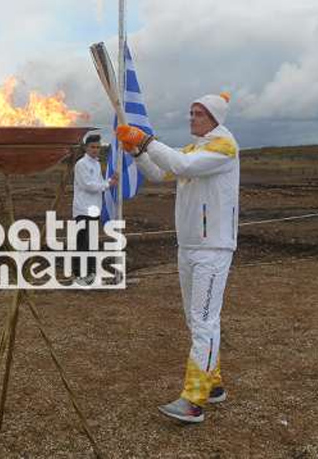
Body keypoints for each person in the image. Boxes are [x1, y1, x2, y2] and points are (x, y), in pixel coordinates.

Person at [116, 92, 239, 423]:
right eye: (191, 112)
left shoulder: (223, 147)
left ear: (215, 118)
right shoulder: (195, 149)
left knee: (203, 321)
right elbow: (161, 173)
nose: (192, 118)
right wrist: (137, 152)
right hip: (188, 246)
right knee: (195, 320)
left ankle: (194, 400)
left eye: (199, 113)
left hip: (213, 247)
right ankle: (213, 385)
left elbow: (180, 165)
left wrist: (146, 140)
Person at [71, 134, 118, 285]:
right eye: (92, 147)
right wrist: (108, 184)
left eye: (98, 147)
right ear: (86, 148)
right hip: (82, 210)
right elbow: (88, 185)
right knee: (82, 243)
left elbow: (98, 184)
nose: (95, 150)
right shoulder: (81, 164)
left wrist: (109, 182)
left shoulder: (96, 164)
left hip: (93, 209)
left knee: (91, 243)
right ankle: (79, 275)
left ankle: (91, 274)